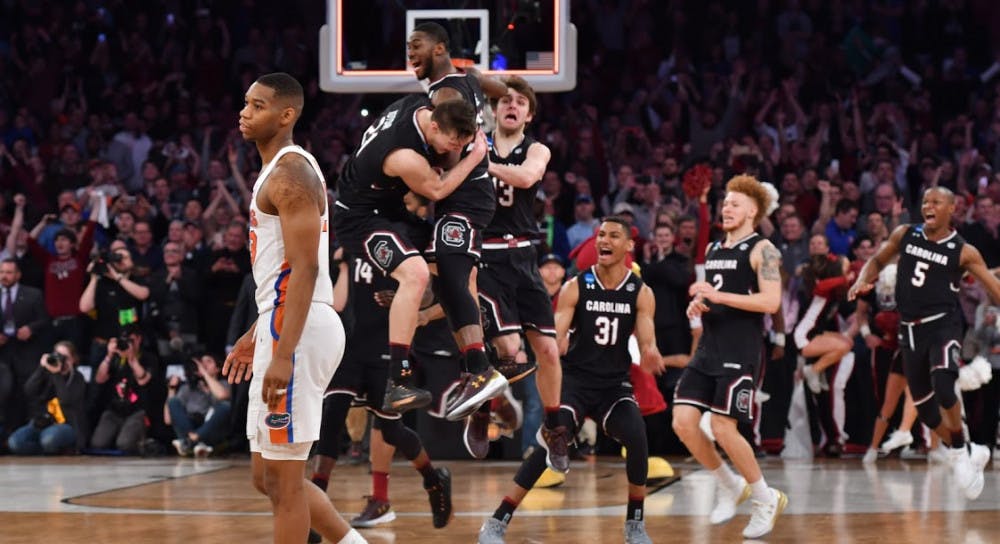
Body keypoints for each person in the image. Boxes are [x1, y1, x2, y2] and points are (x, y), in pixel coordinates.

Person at [221, 72, 362, 544]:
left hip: (298, 328)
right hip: (281, 322)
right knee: (267, 477)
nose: (245, 112)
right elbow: (280, 270)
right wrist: (257, 333)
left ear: (286, 116)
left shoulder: (290, 173)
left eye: (258, 106)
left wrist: (282, 351)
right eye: (245, 102)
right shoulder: (277, 171)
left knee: (284, 483)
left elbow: (304, 270)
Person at [477, 216, 666, 544]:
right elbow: (556, 336)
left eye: (613, 236)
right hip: (576, 381)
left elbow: (647, 340)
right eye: (601, 235)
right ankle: (497, 521)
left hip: (613, 385)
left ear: (629, 246)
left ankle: (635, 524)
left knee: (637, 435)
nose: (604, 241)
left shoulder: (641, 292)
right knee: (549, 441)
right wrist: (559, 342)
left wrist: (651, 352)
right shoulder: (576, 285)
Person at [331, 92, 485, 414]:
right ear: (435, 127)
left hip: (387, 208)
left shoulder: (419, 103)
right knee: (414, 274)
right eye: (453, 143)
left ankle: (476, 365)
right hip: (358, 219)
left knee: (454, 263)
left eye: (462, 146)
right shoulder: (403, 155)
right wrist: (474, 157)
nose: (454, 151)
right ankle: (396, 382)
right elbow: (438, 189)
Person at [849, 186, 1000, 501]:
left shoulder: (963, 250)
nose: (928, 206)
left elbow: (991, 285)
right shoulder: (905, 233)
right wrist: (863, 278)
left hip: (943, 326)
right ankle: (973, 449)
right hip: (909, 331)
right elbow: (877, 260)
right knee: (927, 412)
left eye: (937, 202)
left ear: (952, 209)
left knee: (945, 386)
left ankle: (959, 451)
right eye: (926, 201)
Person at [672, 175, 788, 539]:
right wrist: (701, 302)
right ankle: (730, 484)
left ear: (753, 210)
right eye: (725, 203)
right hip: (710, 346)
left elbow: (770, 302)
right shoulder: (714, 249)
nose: (727, 207)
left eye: (735, 203)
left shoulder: (764, 249)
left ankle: (765, 498)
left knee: (723, 427)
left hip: (742, 349)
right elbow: (715, 293)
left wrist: (718, 298)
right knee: (683, 422)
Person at [407, 22, 511, 421]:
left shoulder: (445, 93)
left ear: (439, 49)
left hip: (465, 195)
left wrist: (417, 172)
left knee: (452, 277)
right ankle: (478, 367)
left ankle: (481, 366)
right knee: (447, 280)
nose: (410, 53)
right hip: (471, 195)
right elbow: (503, 90)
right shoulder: (468, 77)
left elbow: (449, 156)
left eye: (416, 46)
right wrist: (510, 86)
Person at [311, 250, 453, 530]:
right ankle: (316, 506)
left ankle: (434, 481)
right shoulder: (351, 238)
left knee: (390, 429)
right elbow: (338, 303)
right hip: (349, 346)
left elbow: (428, 295)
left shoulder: (400, 240)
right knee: (330, 420)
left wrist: (405, 295)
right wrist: (342, 264)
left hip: (386, 346)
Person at [473, 75, 568, 469]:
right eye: (505, 100)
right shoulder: (475, 141)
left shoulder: (536, 149)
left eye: (520, 102)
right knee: (509, 349)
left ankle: (555, 427)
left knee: (547, 349)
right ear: (494, 109)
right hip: (489, 256)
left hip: (526, 257)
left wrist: (484, 164)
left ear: (528, 114)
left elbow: (528, 177)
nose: (512, 106)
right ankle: (484, 410)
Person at [6, 341, 87, 454]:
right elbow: (28, 390)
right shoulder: (46, 373)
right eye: (58, 355)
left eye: (65, 357)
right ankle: (48, 451)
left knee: (48, 439)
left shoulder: (78, 378)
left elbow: (65, 400)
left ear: (73, 359)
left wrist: (56, 374)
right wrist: (41, 368)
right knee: (14, 443)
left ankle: (54, 448)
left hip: (66, 425)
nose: (61, 360)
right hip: (42, 423)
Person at [90, 326, 157, 453]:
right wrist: (109, 355)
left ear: (138, 339)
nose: (126, 344)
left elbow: (143, 380)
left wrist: (132, 359)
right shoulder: (115, 358)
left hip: (136, 411)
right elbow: (99, 379)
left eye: (130, 340)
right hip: (114, 411)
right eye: (124, 340)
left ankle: (143, 442)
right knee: (98, 444)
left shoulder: (148, 358)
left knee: (124, 445)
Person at [165, 353, 231, 457]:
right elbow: (168, 419)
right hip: (190, 426)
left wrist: (205, 373)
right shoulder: (188, 388)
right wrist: (171, 389)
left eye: (208, 361)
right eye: (201, 362)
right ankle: (195, 441)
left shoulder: (223, 384)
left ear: (217, 369)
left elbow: (222, 395)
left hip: (211, 432)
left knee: (225, 407)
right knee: (173, 402)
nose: (203, 364)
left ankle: (190, 442)